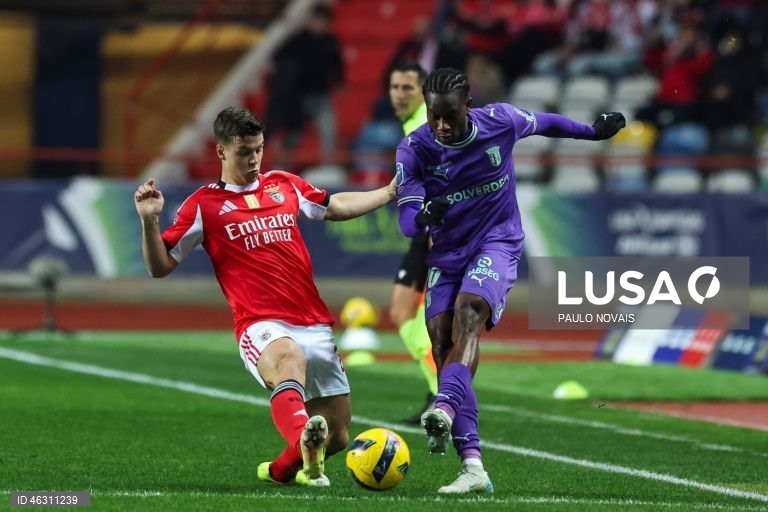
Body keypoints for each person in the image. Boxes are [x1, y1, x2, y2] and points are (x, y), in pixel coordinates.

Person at [134, 106, 395, 488]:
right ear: (221, 152)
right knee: (289, 359)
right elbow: (160, 267)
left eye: (258, 149)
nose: (254, 158)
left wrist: (388, 192)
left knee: (338, 435)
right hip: (260, 323)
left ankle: (282, 469)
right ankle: (303, 439)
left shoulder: (285, 184)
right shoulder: (203, 206)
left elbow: (333, 206)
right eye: (244, 151)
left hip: (313, 321)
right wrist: (150, 220)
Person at [395, 68, 625, 494]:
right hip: (446, 255)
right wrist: (425, 216)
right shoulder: (415, 148)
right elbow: (408, 220)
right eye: (433, 116)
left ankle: (443, 406)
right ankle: (473, 468)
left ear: (468, 106)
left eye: (450, 116)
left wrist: (592, 133)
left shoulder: (499, 120)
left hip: (496, 243)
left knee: (469, 316)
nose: (441, 126)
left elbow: (546, 122)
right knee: (442, 344)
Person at [387, 61, 438, 424]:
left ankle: (443, 396)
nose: (400, 94)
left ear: (422, 91)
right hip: (424, 231)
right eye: (395, 87)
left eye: (407, 87)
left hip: (436, 232)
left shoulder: (425, 124)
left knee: (420, 316)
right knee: (403, 312)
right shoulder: (411, 124)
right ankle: (438, 392)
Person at [265, 3, 344, 166]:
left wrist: (340, 82)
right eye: (319, 20)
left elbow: (337, 65)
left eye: (325, 21)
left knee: (329, 132)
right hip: (299, 99)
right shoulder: (298, 40)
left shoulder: (331, 42)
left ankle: (328, 167)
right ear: (311, 20)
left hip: (322, 97)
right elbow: (278, 57)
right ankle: (281, 168)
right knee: (293, 135)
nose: (321, 25)